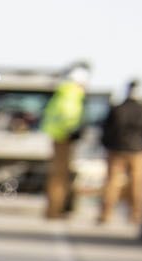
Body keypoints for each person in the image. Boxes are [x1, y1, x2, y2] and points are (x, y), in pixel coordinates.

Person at [100, 80, 142, 225]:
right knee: (138, 185)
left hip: (117, 150)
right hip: (138, 151)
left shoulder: (117, 108)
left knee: (112, 183)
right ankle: (136, 216)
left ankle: (105, 215)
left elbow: (106, 130)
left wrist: (108, 145)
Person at [40, 65, 89, 220]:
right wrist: (73, 131)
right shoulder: (72, 94)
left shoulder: (63, 92)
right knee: (60, 177)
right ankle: (55, 210)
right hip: (64, 139)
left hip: (59, 137)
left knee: (58, 176)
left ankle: (54, 209)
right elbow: (69, 116)